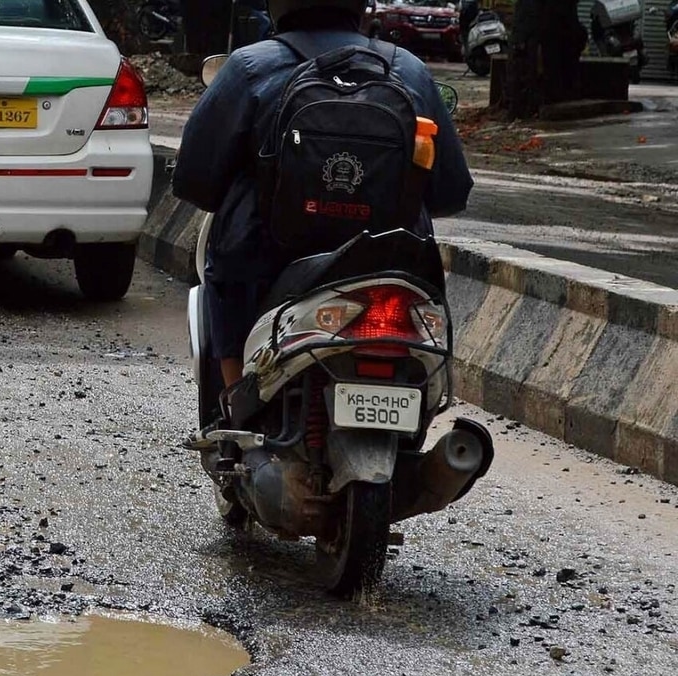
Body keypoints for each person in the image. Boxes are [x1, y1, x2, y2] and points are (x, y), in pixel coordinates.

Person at [172, 0, 472, 400]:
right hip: (388, 258)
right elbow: (451, 191)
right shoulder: (408, 70)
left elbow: (195, 179)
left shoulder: (248, 68)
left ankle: (237, 410)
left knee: (224, 278)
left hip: (267, 260)